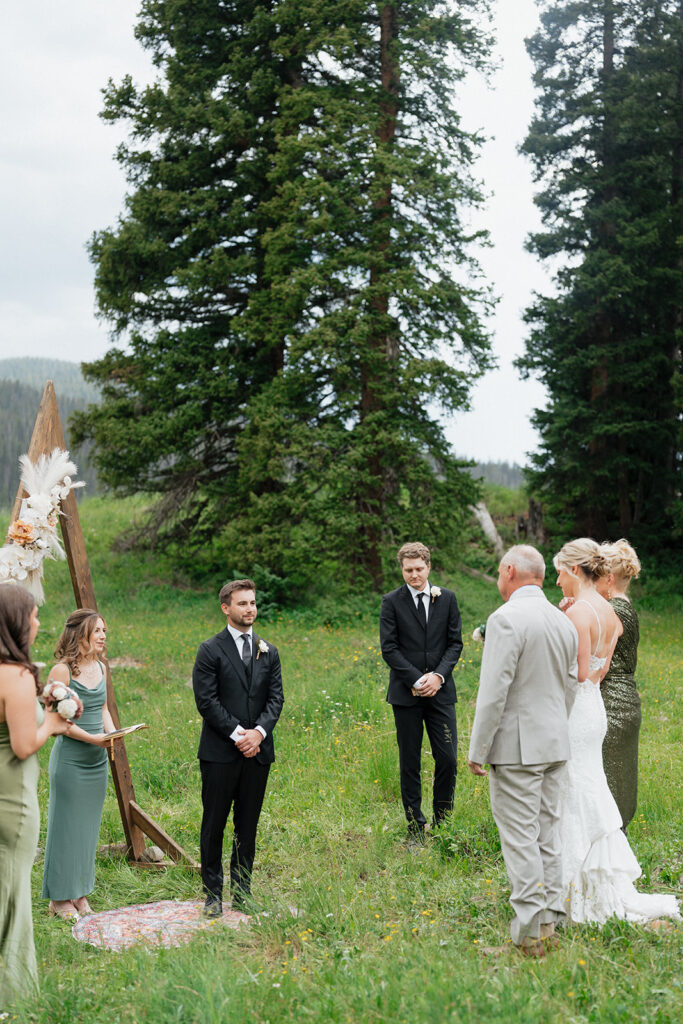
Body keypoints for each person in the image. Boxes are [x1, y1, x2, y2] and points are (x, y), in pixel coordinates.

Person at [554, 539, 680, 924]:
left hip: (578, 709)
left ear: (575, 570)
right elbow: (599, 671)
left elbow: (574, 674)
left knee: (575, 791)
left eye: (559, 571)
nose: (557, 579)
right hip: (596, 706)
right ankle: (599, 882)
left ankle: (572, 888)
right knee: (592, 787)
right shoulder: (611, 612)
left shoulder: (578, 614)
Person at [468, 545, 578, 957]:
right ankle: (549, 920)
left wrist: (478, 747)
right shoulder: (561, 620)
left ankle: (530, 932)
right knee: (548, 834)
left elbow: (494, 690)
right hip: (554, 742)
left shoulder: (506, 619)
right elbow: (570, 685)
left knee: (519, 838)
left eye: (499, 573)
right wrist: (554, 727)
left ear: (509, 570)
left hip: (517, 747)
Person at [193, 579, 284, 916]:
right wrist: (238, 734)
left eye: (253, 603)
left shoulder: (268, 650)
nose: (250, 609)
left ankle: (243, 892)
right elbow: (206, 700)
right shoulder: (210, 649)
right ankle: (213, 894)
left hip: (258, 754)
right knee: (214, 823)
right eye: (243, 603)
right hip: (219, 753)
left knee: (248, 825)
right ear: (226, 608)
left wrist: (258, 734)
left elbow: (276, 699)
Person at [0, 585, 69, 1003]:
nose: (38, 623)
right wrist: (54, 725)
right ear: (16, 621)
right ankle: (14, 994)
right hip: (13, 798)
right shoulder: (17, 674)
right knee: (13, 893)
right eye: (33, 615)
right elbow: (26, 744)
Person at [380, 542, 463, 845]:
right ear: (402, 570)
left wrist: (438, 676)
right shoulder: (391, 602)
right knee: (410, 760)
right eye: (408, 570)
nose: (414, 575)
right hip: (407, 694)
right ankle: (416, 825)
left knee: (448, 758)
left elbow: (455, 643)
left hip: (441, 693)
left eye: (419, 569)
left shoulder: (448, 599)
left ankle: (443, 822)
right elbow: (389, 647)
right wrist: (416, 679)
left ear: (428, 567)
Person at [41, 609, 115, 920]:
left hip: (97, 761)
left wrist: (112, 735)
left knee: (87, 829)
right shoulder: (62, 672)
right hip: (71, 760)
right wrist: (95, 739)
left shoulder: (101, 666)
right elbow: (59, 723)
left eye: (103, 631)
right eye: (96, 630)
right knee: (65, 828)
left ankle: (80, 892)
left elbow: (103, 708)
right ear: (79, 634)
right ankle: (58, 899)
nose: (102, 636)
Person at [595, 539, 642, 831]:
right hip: (623, 697)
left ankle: (612, 849)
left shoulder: (613, 610)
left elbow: (596, 661)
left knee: (609, 778)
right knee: (618, 776)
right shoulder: (623, 605)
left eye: (596, 574)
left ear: (609, 578)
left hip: (611, 700)